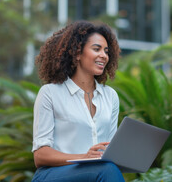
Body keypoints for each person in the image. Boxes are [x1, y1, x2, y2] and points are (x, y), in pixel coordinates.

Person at [31, 20, 124, 182]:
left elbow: (110, 149)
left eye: (106, 51)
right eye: (97, 49)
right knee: (107, 170)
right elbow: (40, 156)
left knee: (108, 168)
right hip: (52, 174)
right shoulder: (50, 93)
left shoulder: (110, 96)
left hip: (98, 173)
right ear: (77, 53)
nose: (104, 55)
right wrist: (85, 157)